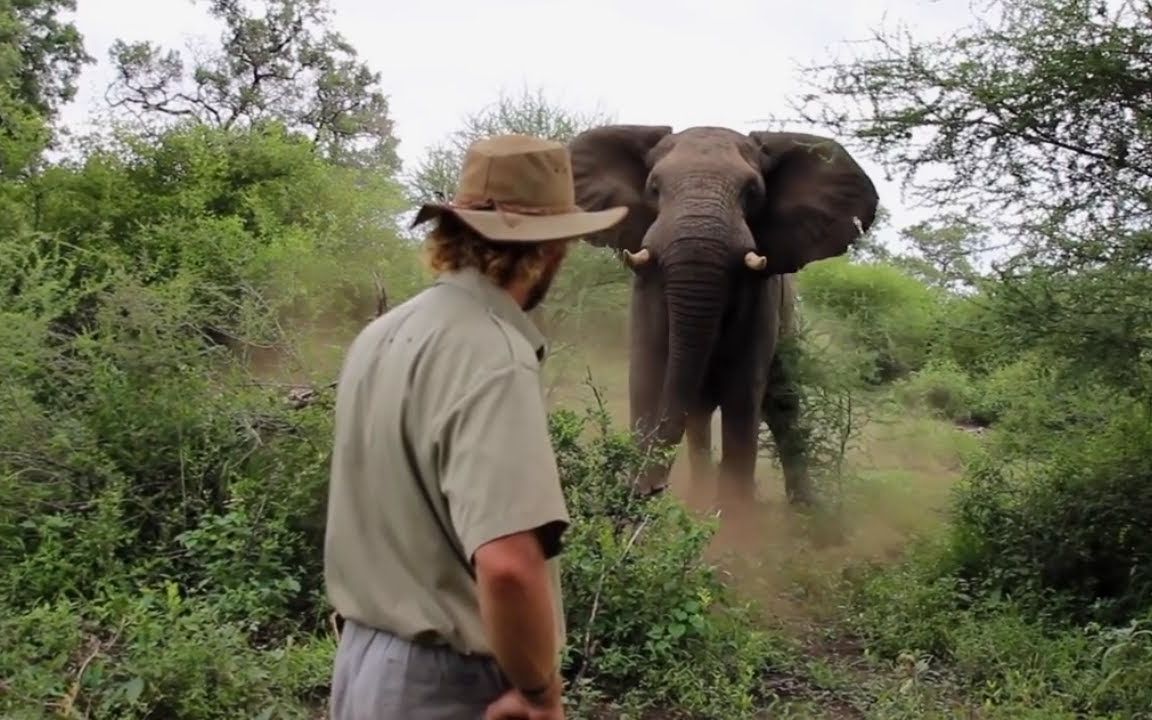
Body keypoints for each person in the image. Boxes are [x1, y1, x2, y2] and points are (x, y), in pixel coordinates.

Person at [323, 134, 629, 719]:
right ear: (551, 248)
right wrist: (540, 695)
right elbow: (509, 565)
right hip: (448, 686)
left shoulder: (382, 336)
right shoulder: (492, 352)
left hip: (360, 663)